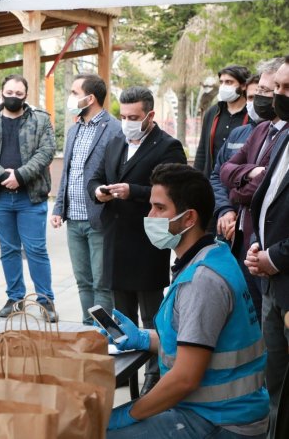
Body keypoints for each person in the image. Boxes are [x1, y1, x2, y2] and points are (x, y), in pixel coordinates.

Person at [107, 163, 268, 438]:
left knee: (96, 429)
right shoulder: (214, 253)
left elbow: (184, 379)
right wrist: (144, 339)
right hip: (222, 410)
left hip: (221, 421)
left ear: (188, 218)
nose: (150, 216)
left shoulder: (202, 280)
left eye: (159, 208)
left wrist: (126, 415)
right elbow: (198, 342)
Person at [88, 86, 186, 396]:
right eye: (123, 116)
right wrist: (99, 191)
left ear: (150, 116)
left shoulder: (168, 146)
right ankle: (125, 372)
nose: (127, 121)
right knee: (121, 313)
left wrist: (135, 191)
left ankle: (154, 374)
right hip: (116, 237)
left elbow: (176, 192)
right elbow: (95, 176)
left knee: (151, 314)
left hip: (147, 240)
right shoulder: (116, 140)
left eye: (134, 117)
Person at [0, 74, 56, 319]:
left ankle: (46, 300)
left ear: (25, 95)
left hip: (30, 196)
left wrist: (20, 175)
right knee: (9, 250)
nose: (13, 97)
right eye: (10, 92)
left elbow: (47, 151)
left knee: (36, 250)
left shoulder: (40, 120)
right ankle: (15, 298)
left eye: (19, 94)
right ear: (2, 92)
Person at [51, 73, 121, 325]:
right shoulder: (74, 129)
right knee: (83, 281)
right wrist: (59, 207)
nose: (70, 97)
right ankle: (87, 330)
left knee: (102, 283)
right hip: (74, 219)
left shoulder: (114, 128)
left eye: (74, 93)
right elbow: (68, 172)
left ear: (89, 98)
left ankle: (105, 336)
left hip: (100, 218)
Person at [220, 58, 287, 322]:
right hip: (246, 243)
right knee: (252, 318)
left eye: (267, 91)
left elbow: (263, 189)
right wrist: (249, 173)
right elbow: (225, 170)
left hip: (273, 252)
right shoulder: (261, 129)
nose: (261, 97)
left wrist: (238, 189)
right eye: (261, 90)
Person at [246, 55, 289, 435]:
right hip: (271, 283)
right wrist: (259, 243)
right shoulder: (284, 134)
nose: (277, 97)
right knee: (273, 382)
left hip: (284, 273)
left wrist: (276, 256)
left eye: (285, 89)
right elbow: (266, 201)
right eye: (277, 89)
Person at [210, 73, 260, 245]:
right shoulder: (239, 133)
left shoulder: (280, 136)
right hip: (227, 229)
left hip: (256, 234)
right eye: (251, 97)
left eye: (260, 97)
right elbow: (218, 175)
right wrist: (225, 210)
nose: (255, 103)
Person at [194, 65, 251, 180]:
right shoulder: (212, 113)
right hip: (211, 181)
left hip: (239, 182)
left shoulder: (252, 115)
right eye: (221, 82)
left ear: (243, 85)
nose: (224, 86)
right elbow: (202, 151)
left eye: (229, 82)